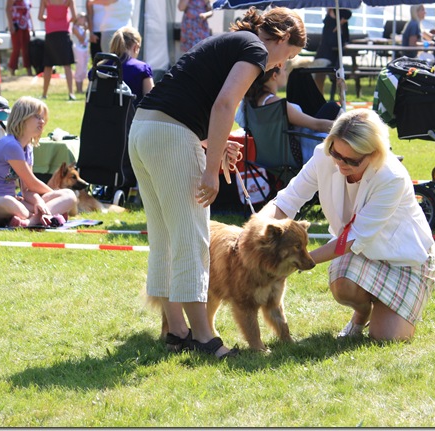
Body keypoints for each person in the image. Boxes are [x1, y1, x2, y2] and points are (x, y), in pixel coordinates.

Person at [129, 6, 306, 359]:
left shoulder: (231, 41)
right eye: (289, 55)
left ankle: (177, 331)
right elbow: (225, 105)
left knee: (165, 235)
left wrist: (213, 145)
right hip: (171, 136)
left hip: (144, 130)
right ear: (283, 38)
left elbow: (198, 98)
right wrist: (211, 169)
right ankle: (205, 338)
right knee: (194, 236)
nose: (281, 66)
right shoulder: (255, 49)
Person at [258, 109, 435, 342]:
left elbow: (351, 238)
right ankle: (362, 314)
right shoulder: (324, 156)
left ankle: (389, 307)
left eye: (351, 160)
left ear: (374, 153)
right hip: (358, 248)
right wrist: (255, 229)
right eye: (336, 153)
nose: (340, 163)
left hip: (405, 258)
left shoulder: (391, 177)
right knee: (342, 284)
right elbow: (287, 201)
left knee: (387, 338)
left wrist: (293, 262)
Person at [0, 96, 77, 228]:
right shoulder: (11, 145)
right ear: (22, 118)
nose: (42, 121)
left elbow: (26, 189)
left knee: (69, 195)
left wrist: (40, 201)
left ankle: (31, 220)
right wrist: (50, 198)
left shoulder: (28, 147)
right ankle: (40, 217)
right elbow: (32, 183)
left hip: (14, 200)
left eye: (43, 118)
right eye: (37, 117)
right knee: (10, 202)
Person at [235, 63, 339, 163]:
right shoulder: (277, 106)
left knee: (329, 107)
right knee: (332, 107)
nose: (286, 74)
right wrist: (344, 126)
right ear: (274, 76)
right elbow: (317, 125)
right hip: (293, 156)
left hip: (265, 156)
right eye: (284, 70)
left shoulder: (249, 102)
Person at [38, 0, 77, 100]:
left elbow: (40, 17)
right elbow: (74, 17)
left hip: (51, 34)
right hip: (64, 33)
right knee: (67, 65)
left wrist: (50, 18)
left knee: (48, 65)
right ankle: (71, 93)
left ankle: (44, 94)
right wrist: (65, 20)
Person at [107, 26, 154, 106]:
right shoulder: (142, 69)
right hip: (131, 117)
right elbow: (151, 101)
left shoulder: (98, 68)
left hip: (99, 117)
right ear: (136, 47)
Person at [313, 8, 352, 94]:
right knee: (317, 74)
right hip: (325, 52)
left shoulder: (338, 13)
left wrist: (341, 23)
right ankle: (318, 95)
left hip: (332, 54)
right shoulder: (332, 16)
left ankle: (320, 95)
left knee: (320, 73)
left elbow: (348, 13)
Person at [6, 0, 33, 76]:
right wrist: (10, 25)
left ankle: (28, 69)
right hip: (16, 25)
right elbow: (8, 9)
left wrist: (32, 26)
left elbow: (28, 12)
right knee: (16, 48)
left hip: (26, 25)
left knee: (26, 48)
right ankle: (12, 69)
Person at [72, 12, 90, 94]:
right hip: (78, 50)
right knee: (80, 67)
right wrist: (86, 29)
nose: (84, 20)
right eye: (82, 18)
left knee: (83, 69)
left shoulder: (82, 29)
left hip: (84, 50)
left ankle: (81, 89)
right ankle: (78, 89)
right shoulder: (75, 28)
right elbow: (81, 39)